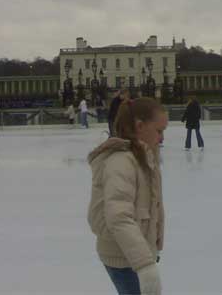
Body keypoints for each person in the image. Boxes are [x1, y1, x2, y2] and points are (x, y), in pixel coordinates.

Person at [88, 97, 168, 295]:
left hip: (134, 252)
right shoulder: (121, 161)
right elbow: (119, 216)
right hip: (124, 257)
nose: (162, 138)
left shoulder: (144, 156)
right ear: (140, 126)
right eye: (159, 131)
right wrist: (144, 265)